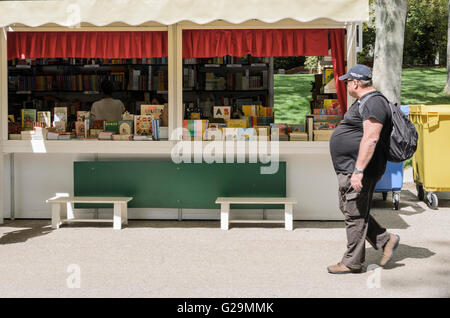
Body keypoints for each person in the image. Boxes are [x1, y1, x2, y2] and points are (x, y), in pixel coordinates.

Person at [327, 64, 400, 274]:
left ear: (356, 83)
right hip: (350, 168)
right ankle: (386, 240)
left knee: (355, 215)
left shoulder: (374, 103)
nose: (347, 84)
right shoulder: (366, 102)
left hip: (360, 170)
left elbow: (371, 138)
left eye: (348, 81)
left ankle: (352, 262)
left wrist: (358, 171)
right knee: (349, 209)